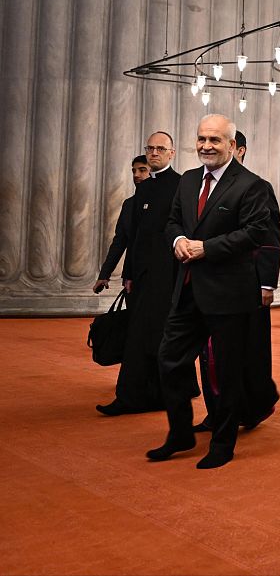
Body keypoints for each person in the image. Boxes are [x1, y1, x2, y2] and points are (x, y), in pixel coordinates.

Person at [147, 114, 271, 469]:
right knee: (168, 360)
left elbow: (255, 233)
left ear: (231, 145)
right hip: (187, 290)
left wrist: (207, 248)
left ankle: (223, 443)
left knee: (228, 373)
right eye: (202, 139)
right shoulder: (186, 181)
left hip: (229, 293)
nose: (206, 146)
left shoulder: (251, 185)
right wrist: (178, 240)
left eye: (215, 140)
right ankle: (180, 433)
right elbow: (171, 222)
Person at [194, 130, 280, 433]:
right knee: (211, 353)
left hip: (248, 284)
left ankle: (251, 407)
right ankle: (216, 411)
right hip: (209, 283)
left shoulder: (257, 188)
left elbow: (268, 239)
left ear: (238, 150)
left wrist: (266, 284)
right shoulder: (200, 186)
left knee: (246, 353)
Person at [96, 133, 187, 416]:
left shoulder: (182, 184)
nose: (154, 153)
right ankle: (139, 396)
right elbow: (134, 239)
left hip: (168, 276)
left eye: (161, 148)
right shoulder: (144, 190)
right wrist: (129, 274)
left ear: (171, 153)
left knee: (157, 337)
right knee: (140, 337)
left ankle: (147, 396)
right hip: (142, 278)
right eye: (150, 148)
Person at [93, 155, 150, 295]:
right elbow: (120, 241)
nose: (136, 175)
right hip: (133, 275)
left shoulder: (168, 200)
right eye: (134, 171)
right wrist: (104, 274)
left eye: (142, 170)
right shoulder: (129, 204)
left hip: (158, 276)